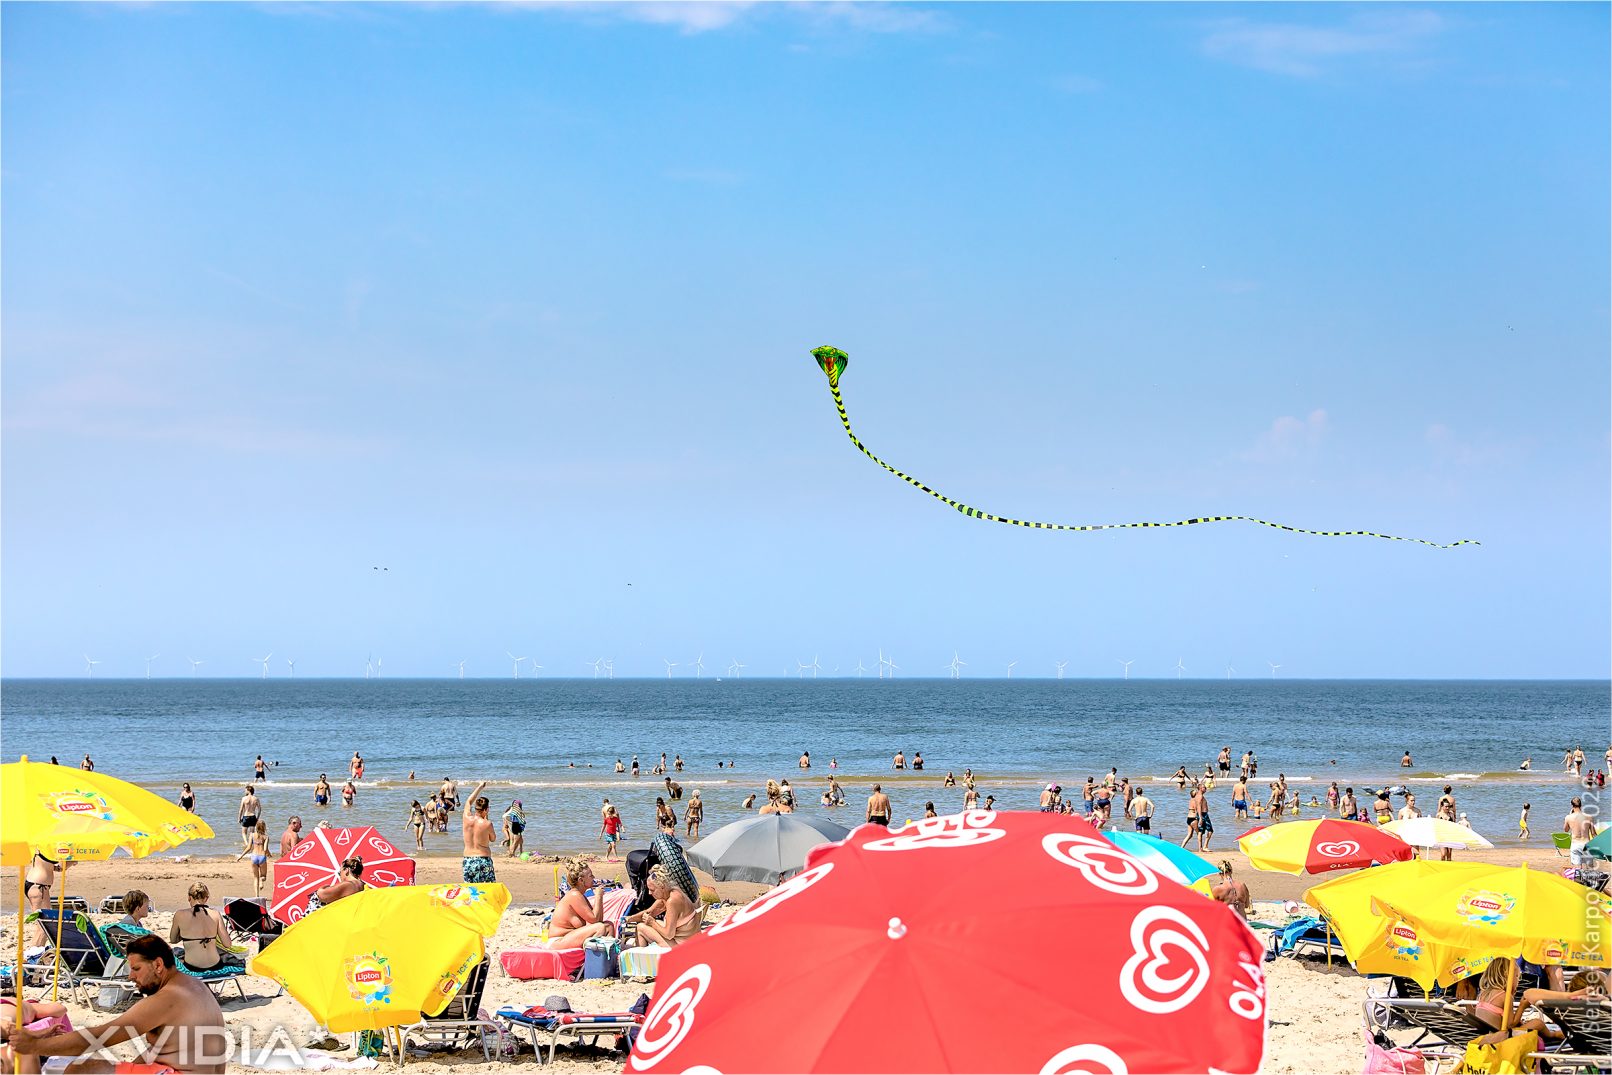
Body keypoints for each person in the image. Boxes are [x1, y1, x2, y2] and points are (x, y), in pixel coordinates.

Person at [3, 934, 228, 1074]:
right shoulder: (195, 987)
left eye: (137, 969)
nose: (131, 976)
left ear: (158, 965)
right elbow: (163, 1049)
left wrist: (34, 1047)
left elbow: (97, 1038)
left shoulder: (167, 999)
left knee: (79, 1070)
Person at [169, 883, 240, 972]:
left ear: (189, 898)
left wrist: (186, 934)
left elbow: (173, 939)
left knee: (175, 952)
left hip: (192, 968)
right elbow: (227, 944)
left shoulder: (180, 914)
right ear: (206, 898)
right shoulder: (216, 914)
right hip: (215, 966)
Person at [626, 865, 700, 948]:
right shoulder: (670, 893)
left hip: (684, 947)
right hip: (691, 941)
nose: (650, 893)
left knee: (640, 928)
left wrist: (652, 923)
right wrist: (629, 919)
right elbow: (650, 912)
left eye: (652, 890)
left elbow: (669, 934)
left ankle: (640, 956)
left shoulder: (672, 901)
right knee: (649, 923)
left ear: (661, 887)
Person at [547, 859, 614, 949]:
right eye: (590, 876)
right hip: (558, 941)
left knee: (608, 925)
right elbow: (594, 920)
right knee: (600, 927)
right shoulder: (574, 895)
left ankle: (607, 958)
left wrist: (600, 897)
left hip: (569, 937)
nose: (594, 877)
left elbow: (598, 920)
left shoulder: (581, 895)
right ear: (581, 880)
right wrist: (598, 896)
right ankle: (594, 956)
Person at [461, 781, 496, 882]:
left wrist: (480, 787)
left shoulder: (466, 817)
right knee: (488, 890)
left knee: (471, 891)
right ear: (485, 810)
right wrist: (486, 818)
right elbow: (493, 839)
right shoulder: (487, 824)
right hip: (483, 860)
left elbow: (468, 801)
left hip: (468, 859)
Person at [24, 851, 61, 946]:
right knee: (44, 926)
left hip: (34, 884)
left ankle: (34, 953)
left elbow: (47, 865)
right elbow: (61, 867)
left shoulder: (41, 846)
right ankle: (33, 955)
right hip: (39, 887)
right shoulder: (49, 848)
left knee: (42, 924)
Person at [235, 820, 271, 898]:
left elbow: (248, 847)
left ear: (256, 826)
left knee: (255, 877)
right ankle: (262, 882)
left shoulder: (252, 835)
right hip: (262, 857)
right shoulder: (266, 837)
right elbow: (265, 849)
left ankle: (256, 896)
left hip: (254, 857)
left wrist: (241, 856)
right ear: (264, 827)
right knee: (263, 876)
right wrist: (269, 854)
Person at [1566, 797, 1595, 866]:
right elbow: (1593, 834)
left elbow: (1566, 830)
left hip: (1575, 844)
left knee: (1577, 869)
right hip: (1586, 844)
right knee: (1590, 868)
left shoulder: (1568, 817)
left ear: (1572, 805)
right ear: (1581, 805)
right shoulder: (1589, 817)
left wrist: (1570, 814)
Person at [237, 785, 261, 849]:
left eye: (245, 790)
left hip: (246, 816)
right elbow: (259, 809)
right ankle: (251, 843)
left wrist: (239, 818)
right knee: (252, 832)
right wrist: (257, 818)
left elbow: (241, 810)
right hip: (253, 816)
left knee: (244, 833)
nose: (245, 791)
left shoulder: (244, 798)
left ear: (248, 790)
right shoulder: (256, 799)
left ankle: (247, 843)